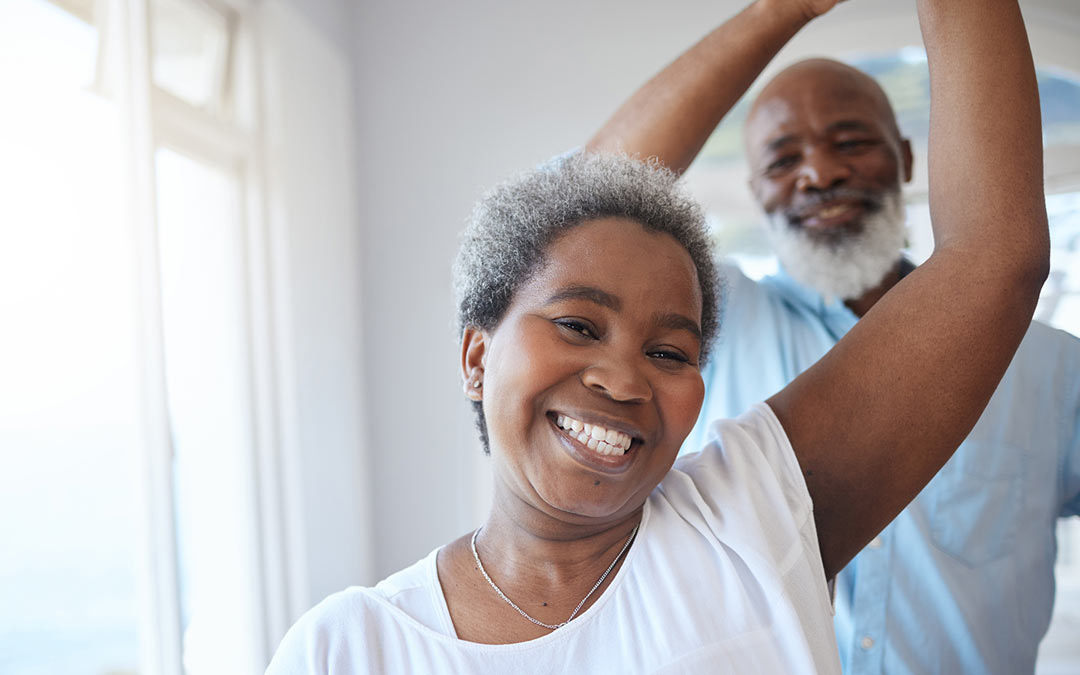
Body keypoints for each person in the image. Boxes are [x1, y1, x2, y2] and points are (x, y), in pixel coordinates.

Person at [266, 0, 1049, 672]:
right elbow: (581, 202)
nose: (623, 378)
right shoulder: (348, 645)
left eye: (670, 350)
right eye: (577, 323)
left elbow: (994, 258)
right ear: (476, 355)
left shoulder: (750, 519)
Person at [587, 1, 1080, 674]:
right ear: (758, 191)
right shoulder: (710, 321)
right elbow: (581, 208)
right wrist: (784, 9)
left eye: (850, 142)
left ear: (906, 159)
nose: (820, 173)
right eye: (785, 158)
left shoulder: (1052, 368)